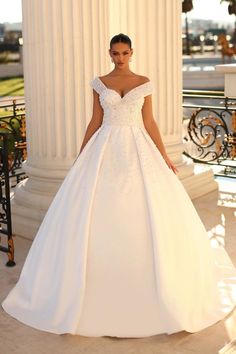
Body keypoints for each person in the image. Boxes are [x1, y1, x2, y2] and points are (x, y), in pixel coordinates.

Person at [2, 33, 236, 338]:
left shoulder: (144, 81)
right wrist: (83, 154)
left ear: (132, 53)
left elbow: (149, 122)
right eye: (116, 53)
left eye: (125, 53)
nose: (120, 57)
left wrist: (164, 156)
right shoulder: (99, 82)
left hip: (138, 146)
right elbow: (95, 120)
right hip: (105, 146)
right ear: (110, 53)